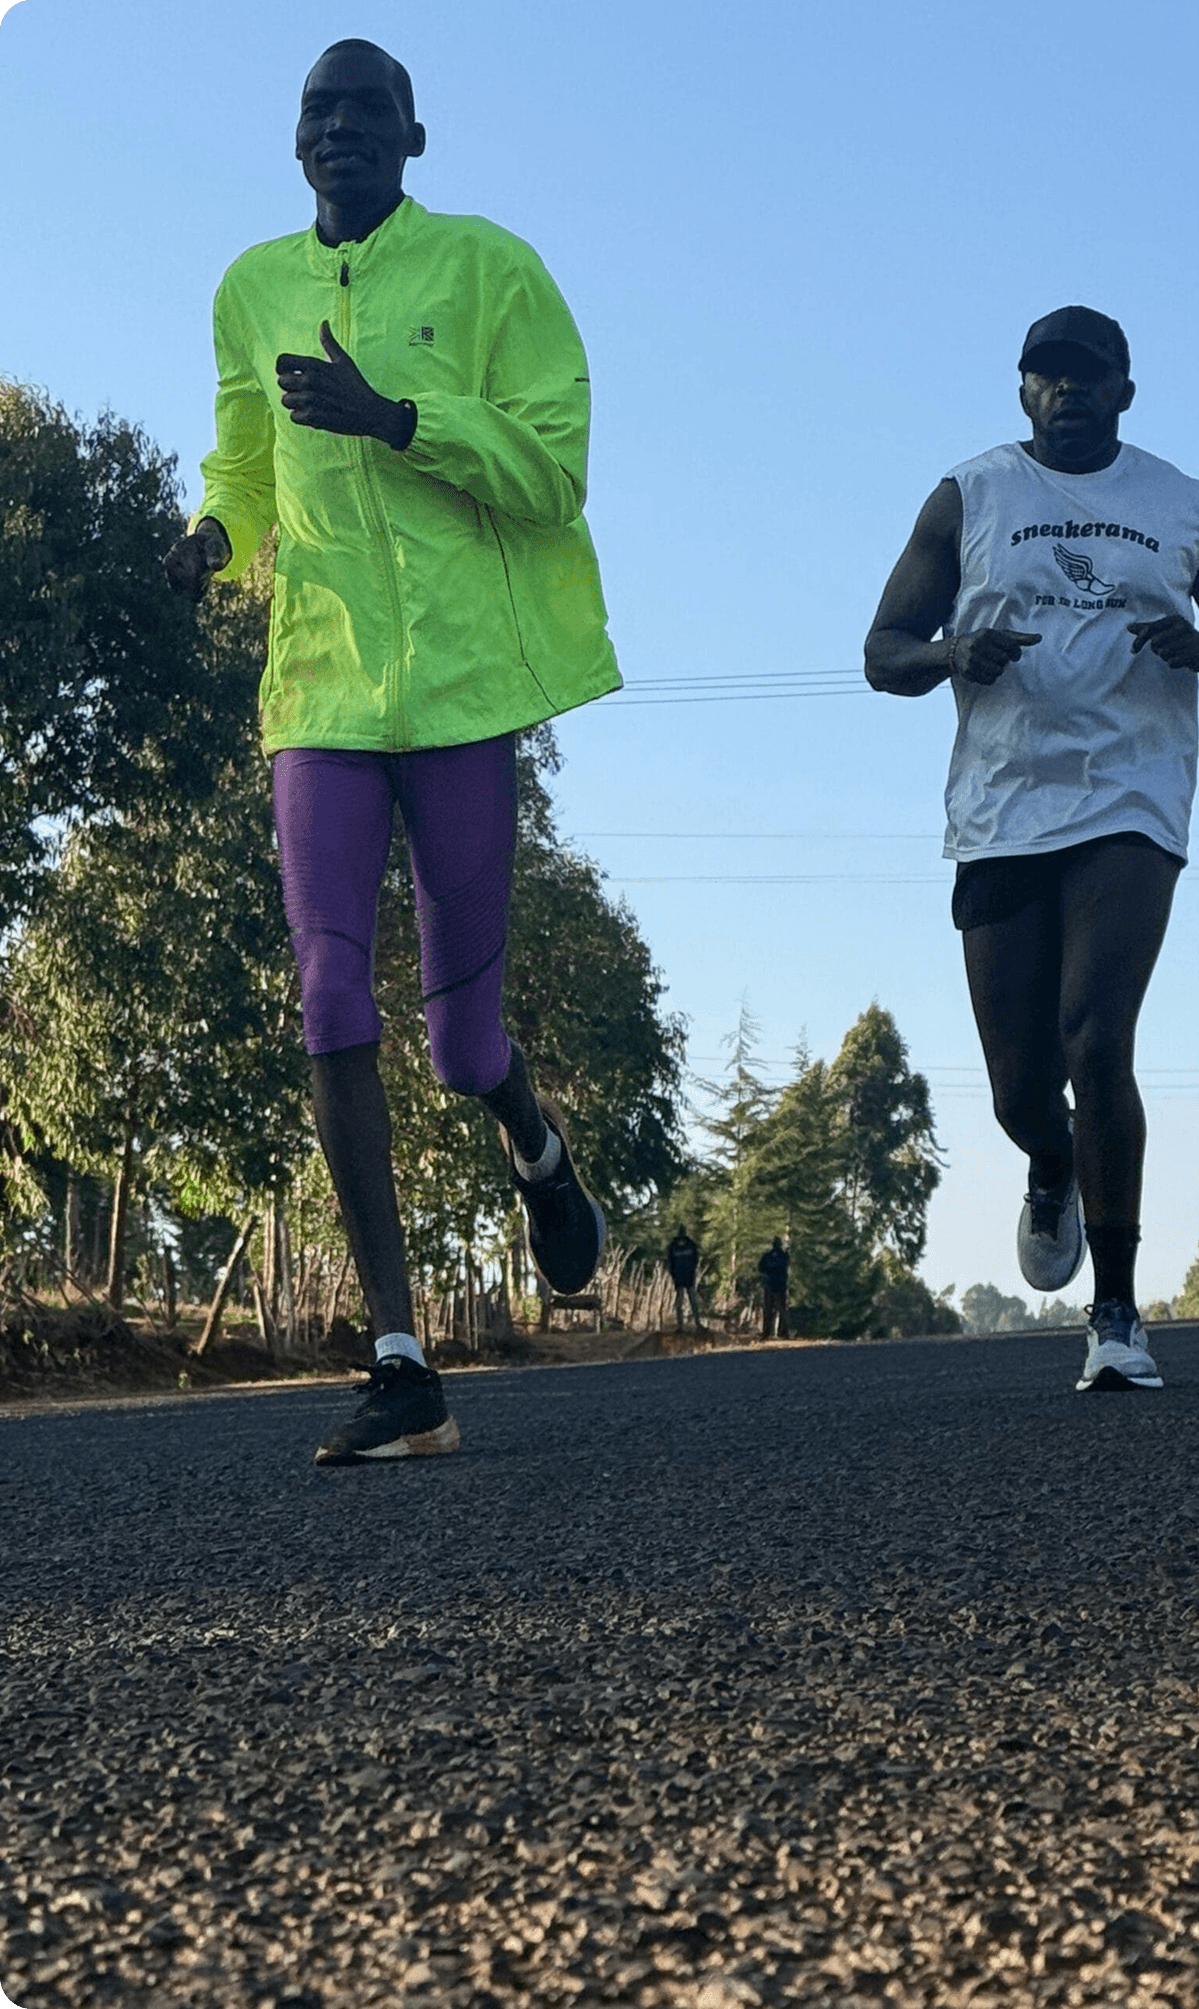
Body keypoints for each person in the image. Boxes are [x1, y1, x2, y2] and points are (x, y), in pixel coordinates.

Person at [164, 40, 620, 1463]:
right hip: (319, 693)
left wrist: (397, 417)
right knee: (325, 991)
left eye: (368, 108)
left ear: (414, 137)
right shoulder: (249, 290)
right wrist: (212, 539)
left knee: (461, 1042)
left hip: (466, 692)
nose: (341, 126)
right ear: (295, 141)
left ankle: (536, 1150)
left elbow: (555, 466)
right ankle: (400, 1356)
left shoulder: (491, 271)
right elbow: (243, 460)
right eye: (318, 108)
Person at [864, 305, 1199, 1393]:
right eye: (1046, 376)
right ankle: (1049, 1162)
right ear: (1022, 391)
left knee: (1095, 1037)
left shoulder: (1182, 505)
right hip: (1002, 807)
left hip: (1131, 800)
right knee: (1022, 1087)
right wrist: (951, 648)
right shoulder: (968, 495)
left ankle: (1115, 1315)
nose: (1067, 392)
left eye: (1088, 376)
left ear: (1124, 391)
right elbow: (881, 652)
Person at [665, 1224, 702, 1331]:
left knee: (684, 1301)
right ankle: (690, 1324)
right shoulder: (689, 1245)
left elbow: (670, 1262)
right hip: (685, 1276)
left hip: (682, 1277)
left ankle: (683, 1325)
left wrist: (673, 1274)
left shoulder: (674, 1246)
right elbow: (695, 1259)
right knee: (689, 1301)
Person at [758, 1238, 790, 1338]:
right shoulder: (783, 1255)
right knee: (782, 1310)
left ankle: (766, 1333)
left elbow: (760, 1268)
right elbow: (787, 1265)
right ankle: (783, 1332)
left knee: (768, 1310)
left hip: (769, 1285)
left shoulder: (767, 1256)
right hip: (780, 1285)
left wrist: (767, 1274)